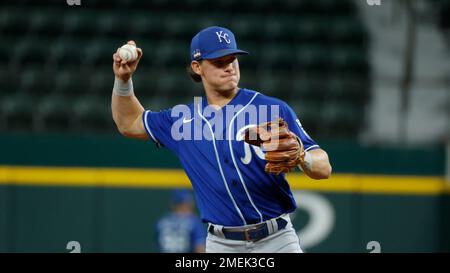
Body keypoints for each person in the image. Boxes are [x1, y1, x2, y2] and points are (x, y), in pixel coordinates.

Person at [111, 26, 332, 253]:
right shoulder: (183, 121)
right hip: (221, 244)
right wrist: (123, 79)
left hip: (277, 240)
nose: (229, 68)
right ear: (197, 67)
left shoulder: (271, 108)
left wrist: (303, 157)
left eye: (232, 60)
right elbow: (129, 123)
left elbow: (324, 167)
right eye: (219, 62)